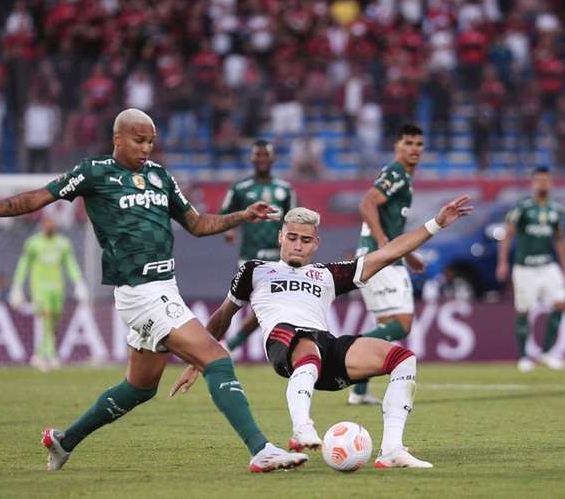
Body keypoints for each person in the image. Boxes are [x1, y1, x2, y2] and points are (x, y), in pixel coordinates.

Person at [0, 109, 306, 473]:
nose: (146, 148)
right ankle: (260, 449)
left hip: (163, 289)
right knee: (216, 358)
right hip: (140, 291)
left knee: (140, 387)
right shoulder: (94, 172)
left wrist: (241, 215)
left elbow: (198, 224)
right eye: (139, 140)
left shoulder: (160, 176)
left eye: (151, 142)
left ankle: (65, 441)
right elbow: (38, 197)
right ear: (118, 139)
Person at [170, 197, 473, 468]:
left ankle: (392, 449)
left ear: (315, 243)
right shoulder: (254, 271)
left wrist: (436, 224)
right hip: (284, 342)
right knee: (307, 345)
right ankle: (302, 427)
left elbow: (388, 253)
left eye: (305, 239)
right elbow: (222, 317)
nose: (297, 244)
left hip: (323, 347)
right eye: (291, 237)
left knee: (403, 358)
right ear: (280, 238)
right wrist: (197, 360)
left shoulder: (328, 274)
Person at [350, 124, 427, 405]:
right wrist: (385, 244)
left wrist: (406, 253)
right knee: (403, 324)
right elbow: (367, 203)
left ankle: (358, 392)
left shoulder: (403, 176)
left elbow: (387, 220)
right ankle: (347, 350)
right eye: (408, 143)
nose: (414, 148)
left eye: (419, 144)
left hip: (379, 254)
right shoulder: (396, 172)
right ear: (397, 146)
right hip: (380, 256)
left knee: (385, 325)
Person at [220, 140, 297, 352]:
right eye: (258, 155)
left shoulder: (285, 189)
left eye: (266, 155)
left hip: (279, 257)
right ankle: (227, 344)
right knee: (258, 303)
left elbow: (294, 220)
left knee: (268, 305)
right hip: (250, 256)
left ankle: (230, 346)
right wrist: (229, 229)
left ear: (272, 159)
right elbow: (225, 213)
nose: (262, 159)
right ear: (252, 158)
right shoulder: (240, 188)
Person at [496, 167, 565, 372]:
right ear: (532, 183)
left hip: (548, 265)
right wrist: (503, 262)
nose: (542, 184)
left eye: (546, 180)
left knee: (560, 303)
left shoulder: (556, 209)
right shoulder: (522, 208)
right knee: (523, 310)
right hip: (525, 267)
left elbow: (560, 240)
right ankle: (523, 357)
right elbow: (507, 234)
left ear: (552, 183)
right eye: (539, 180)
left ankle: (546, 352)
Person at [10, 216, 88, 371]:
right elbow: (23, 265)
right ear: (42, 225)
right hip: (40, 288)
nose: (49, 226)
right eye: (47, 223)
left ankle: (39, 355)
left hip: (58, 288)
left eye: (52, 223)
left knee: (54, 322)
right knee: (46, 317)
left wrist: (79, 282)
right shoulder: (33, 243)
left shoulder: (63, 243)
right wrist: (17, 286)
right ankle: (51, 356)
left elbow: (70, 264)